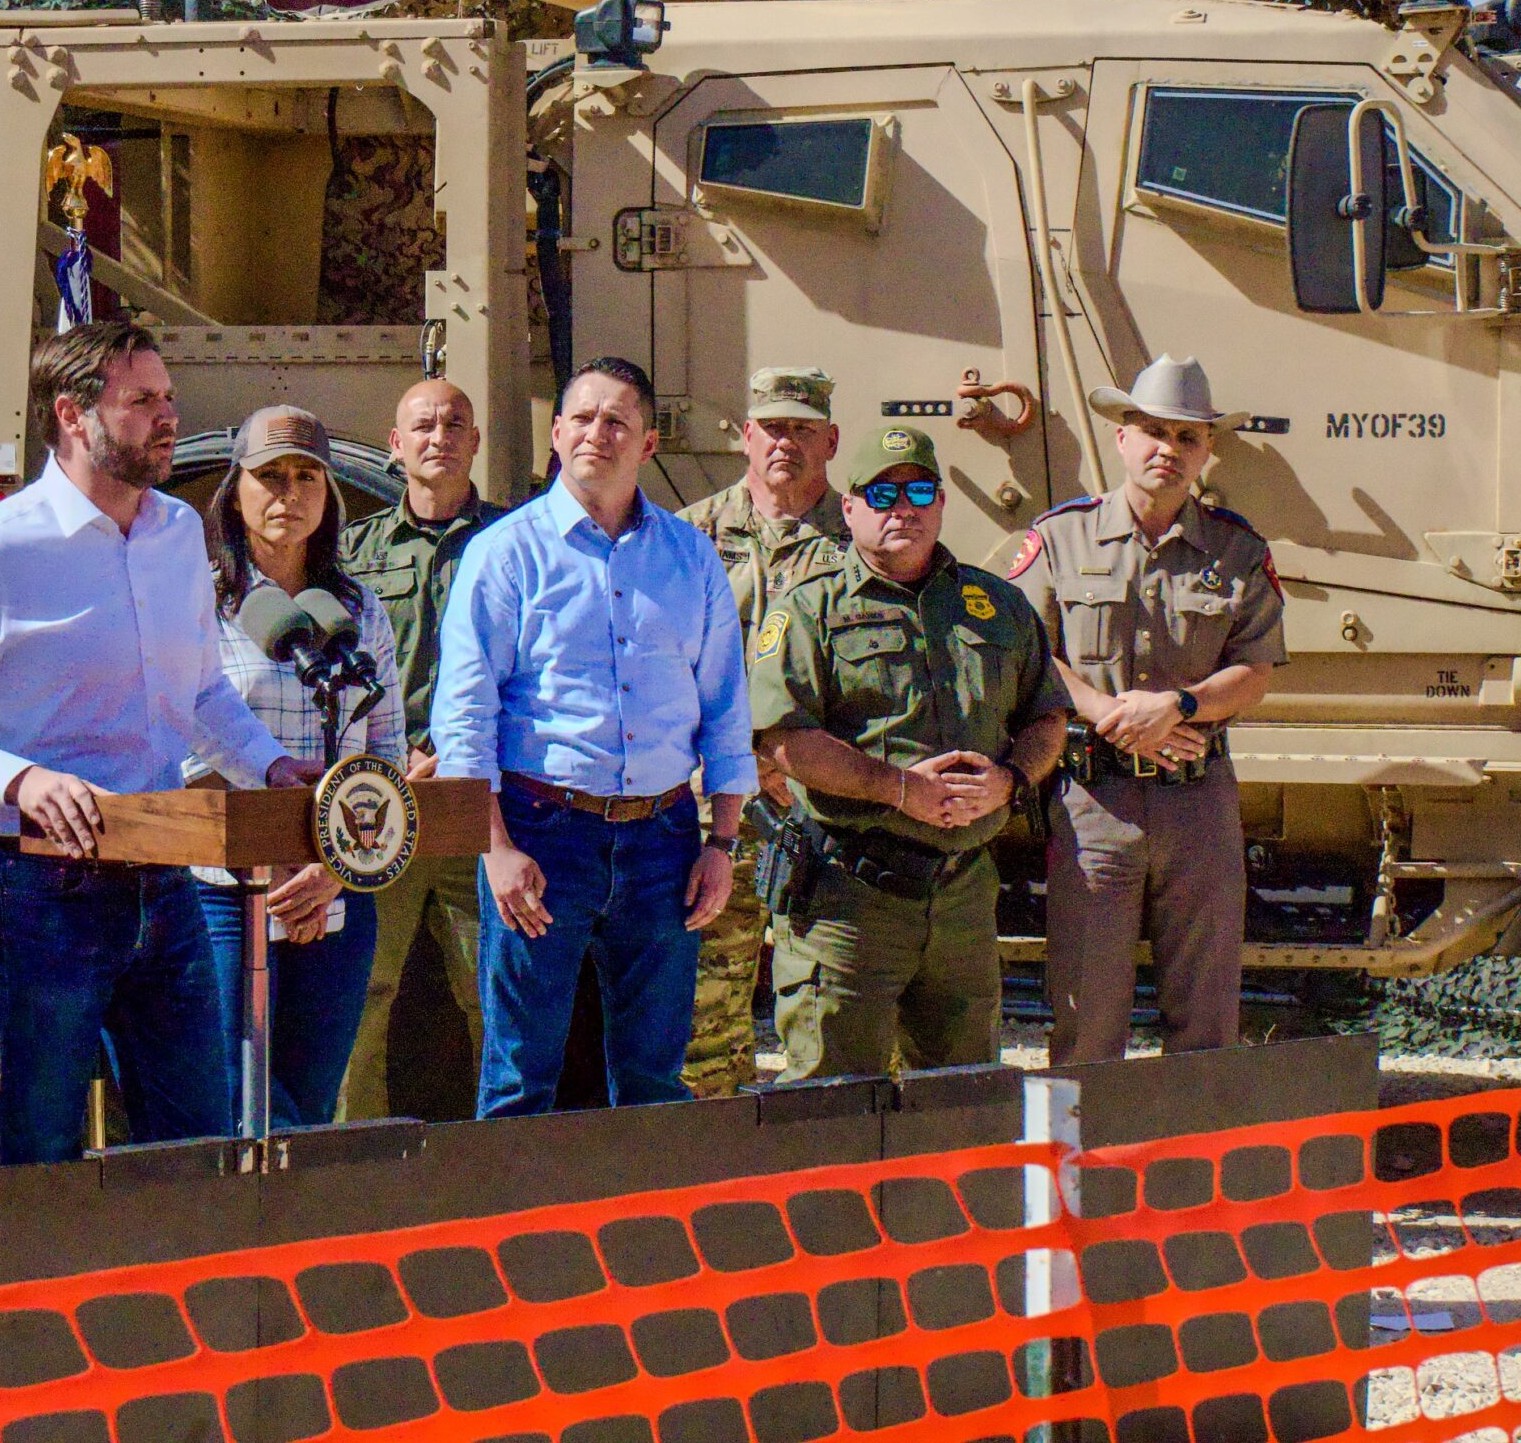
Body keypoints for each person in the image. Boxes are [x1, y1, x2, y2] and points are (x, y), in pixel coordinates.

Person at [0, 321, 319, 1164]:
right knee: (45, 1148)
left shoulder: (178, 532)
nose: (168, 416)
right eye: (141, 400)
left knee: (194, 1142)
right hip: (44, 887)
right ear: (72, 415)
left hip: (167, 879)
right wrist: (18, 779)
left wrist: (269, 763)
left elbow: (200, 691)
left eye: (168, 397)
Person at [432, 356, 756, 1119]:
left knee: (654, 1082)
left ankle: (646, 1204)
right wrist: (495, 847)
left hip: (663, 843)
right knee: (520, 1077)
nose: (596, 434)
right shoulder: (505, 553)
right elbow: (466, 715)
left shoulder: (691, 558)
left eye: (617, 421)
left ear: (648, 444)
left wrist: (722, 841)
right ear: (555, 433)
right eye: (581, 417)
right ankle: (517, 1203)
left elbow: (724, 706)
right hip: (541, 837)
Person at [750, 426, 1069, 1078]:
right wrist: (899, 789)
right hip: (848, 897)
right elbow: (783, 737)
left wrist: (1011, 781)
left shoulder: (996, 606)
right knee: (832, 1100)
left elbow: (1048, 715)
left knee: (962, 1098)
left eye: (920, 491)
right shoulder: (810, 609)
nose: (903, 507)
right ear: (849, 507)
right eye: (882, 494)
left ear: (941, 503)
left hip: (962, 896)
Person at [1010, 356, 1286, 1065]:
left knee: (1205, 1020)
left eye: (1187, 437)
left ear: (1207, 449)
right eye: (1154, 432)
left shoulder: (1237, 549)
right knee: (1087, 1018)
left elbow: (1255, 670)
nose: (1169, 449)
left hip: (1199, 805)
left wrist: (1178, 706)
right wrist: (1113, 713)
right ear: (1122, 438)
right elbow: (1027, 651)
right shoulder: (1061, 538)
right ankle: (1080, 1142)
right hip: (1094, 801)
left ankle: (1193, 1140)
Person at [189, 406, 405, 1129]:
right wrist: (274, 853)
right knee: (235, 1094)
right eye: (271, 475)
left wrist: (332, 869)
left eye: (307, 476)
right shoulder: (199, 603)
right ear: (236, 491)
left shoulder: (357, 609)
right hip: (224, 890)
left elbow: (385, 753)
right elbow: (182, 749)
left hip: (337, 887)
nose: (289, 493)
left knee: (308, 1108)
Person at [334, 380, 504, 1119]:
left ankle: (502, 1156)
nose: (440, 437)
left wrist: (457, 754)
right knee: (363, 993)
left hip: (482, 808)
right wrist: (389, 757)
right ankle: (352, 1159)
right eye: (424, 425)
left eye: (455, 424)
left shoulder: (515, 543)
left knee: (493, 993)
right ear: (395, 445)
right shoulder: (352, 552)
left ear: (476, 442)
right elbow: (334, 671)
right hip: (381, 803)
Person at [676, 367, 847, 1096]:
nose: (786, 442)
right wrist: (745, 756)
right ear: (746, 436)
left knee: (837, 1010)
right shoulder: (688, 536)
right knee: (702, 1017)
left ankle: (831, 1154)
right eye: (773, 427)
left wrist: (797, 759)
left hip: (827, 806)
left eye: (803, 428)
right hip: (711, 806)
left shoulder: (864, 537)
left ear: (831, 441)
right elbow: (657, 665)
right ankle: (714, 1152)